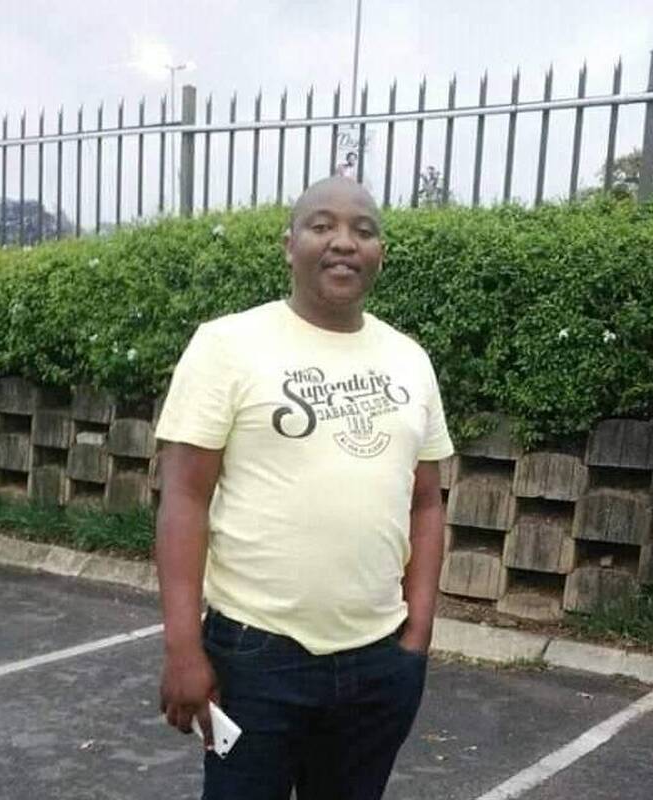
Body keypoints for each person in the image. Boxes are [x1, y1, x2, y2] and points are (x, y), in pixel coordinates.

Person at [154, 175, 453, 799]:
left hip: (380, 663)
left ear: (380, 253)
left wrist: (417, 635)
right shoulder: (227, 345)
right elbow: (184, 497)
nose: (343, 241)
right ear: (290, 245)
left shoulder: (409, 360)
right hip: (254, 660)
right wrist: (183, 647)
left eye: (363, 230)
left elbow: (426, 503)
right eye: (322, 226)